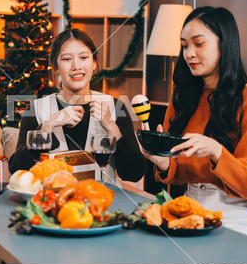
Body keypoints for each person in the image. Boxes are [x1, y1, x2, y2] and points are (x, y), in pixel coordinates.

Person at [142, 6, 247, 240]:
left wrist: (216, 151)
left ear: (224, 44)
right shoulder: (182, 99)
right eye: (185, 45)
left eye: (199, 44)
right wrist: (163, 162)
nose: (189, 54)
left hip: (238, 216)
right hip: (188, 208)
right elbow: (179, 172)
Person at [9, 28, 146, 183]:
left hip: (102, 203)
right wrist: (47, 127)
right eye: (67, 59)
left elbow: (134, 174)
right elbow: (17, 171)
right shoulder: (36, 110)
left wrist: (111, 127)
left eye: (83, 57)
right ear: (56, 67)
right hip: (53, 203)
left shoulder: (115, 106)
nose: (76, 66)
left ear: (94, 63)